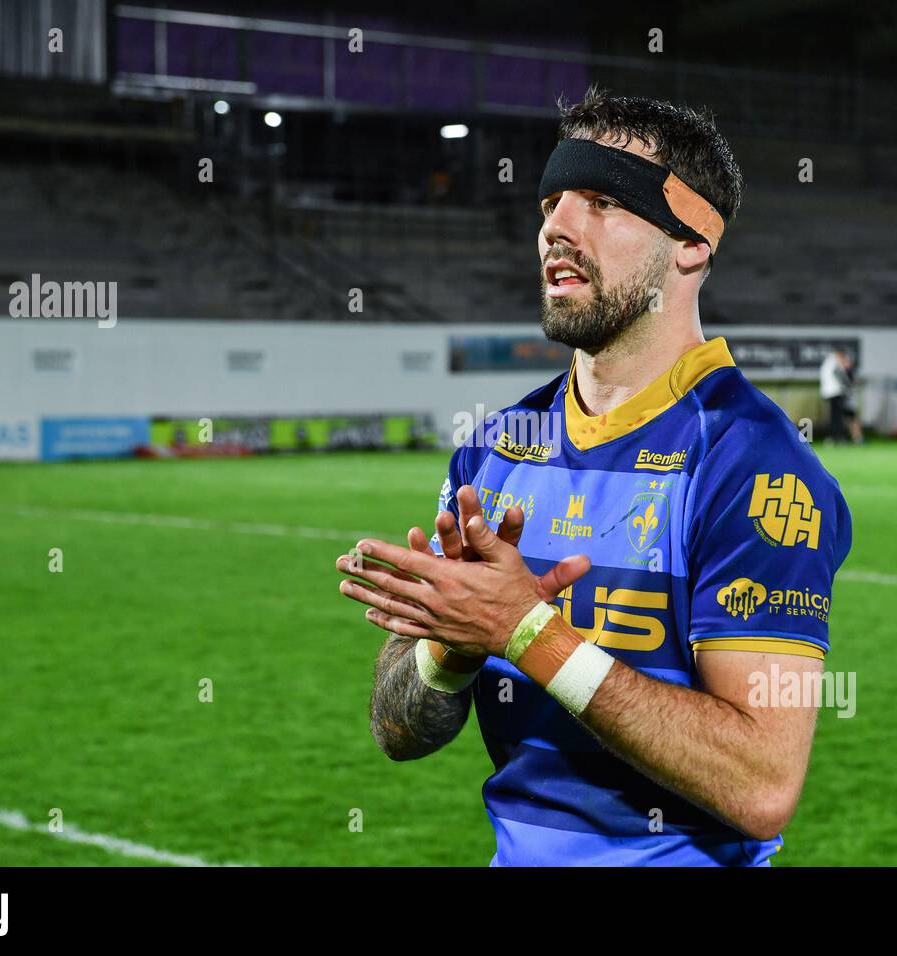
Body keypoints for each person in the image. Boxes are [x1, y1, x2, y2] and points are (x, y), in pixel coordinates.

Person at [335, 87, 852, 866]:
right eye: (551, 202)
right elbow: (397, 731)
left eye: (603, 202)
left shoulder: (754, 464)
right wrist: (451, 647)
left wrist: (527, 631)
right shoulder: (496, 449)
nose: (556, 227)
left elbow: (761, 785)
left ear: (691, 243)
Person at [819, 347, 852, 443]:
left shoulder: (827, 362)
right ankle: (839, 437)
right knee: (837, 417)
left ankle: (831, 438)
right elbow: (839, 375)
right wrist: (847, 385)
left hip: (828, 393)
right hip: (836, 392)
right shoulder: (834, 362)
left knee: (833, 416)